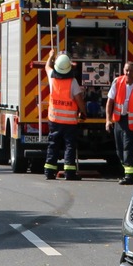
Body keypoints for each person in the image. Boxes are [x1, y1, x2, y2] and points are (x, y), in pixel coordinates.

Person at [44, 50, 85, 181]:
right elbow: (79, 99)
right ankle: (69, 173)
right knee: (70, 146)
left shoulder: (52, 77)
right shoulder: (72, 82)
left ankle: (49, 171)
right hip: (69, 122)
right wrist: (83, 112)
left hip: (54, 119)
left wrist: (50, 57)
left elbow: (47, 66)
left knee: (53, 145)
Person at [105, 60, 133, 185]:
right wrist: (108, 120)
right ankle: (130, 173)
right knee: (119, 149)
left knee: (128, 148)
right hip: (119, 120)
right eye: (126, 70)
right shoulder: (117, 82)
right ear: (123, 70)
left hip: (131, 123)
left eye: (130, 71)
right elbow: (110, 102)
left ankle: (130, 176)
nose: (128, 73)